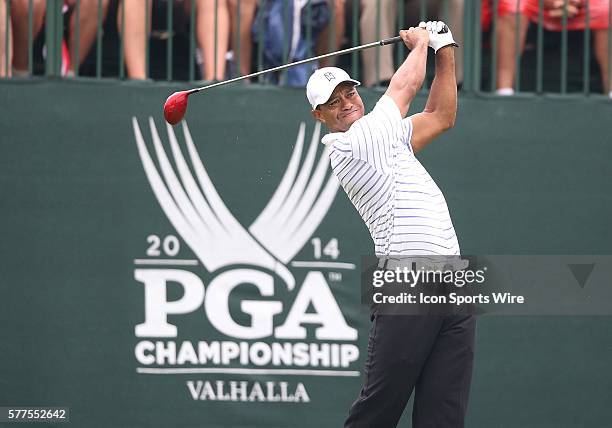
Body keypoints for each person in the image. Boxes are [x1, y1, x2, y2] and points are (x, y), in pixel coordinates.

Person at [306, 21, 475, 427]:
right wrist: (421, 45)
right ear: (320, 116)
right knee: (379, 409)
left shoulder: (387, 137)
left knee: (443, 414)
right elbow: (403, 89)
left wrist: (445, 49)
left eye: (349, 92)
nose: (347, 102)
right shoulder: (353, 143)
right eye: (334, 101)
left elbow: (441, 115)